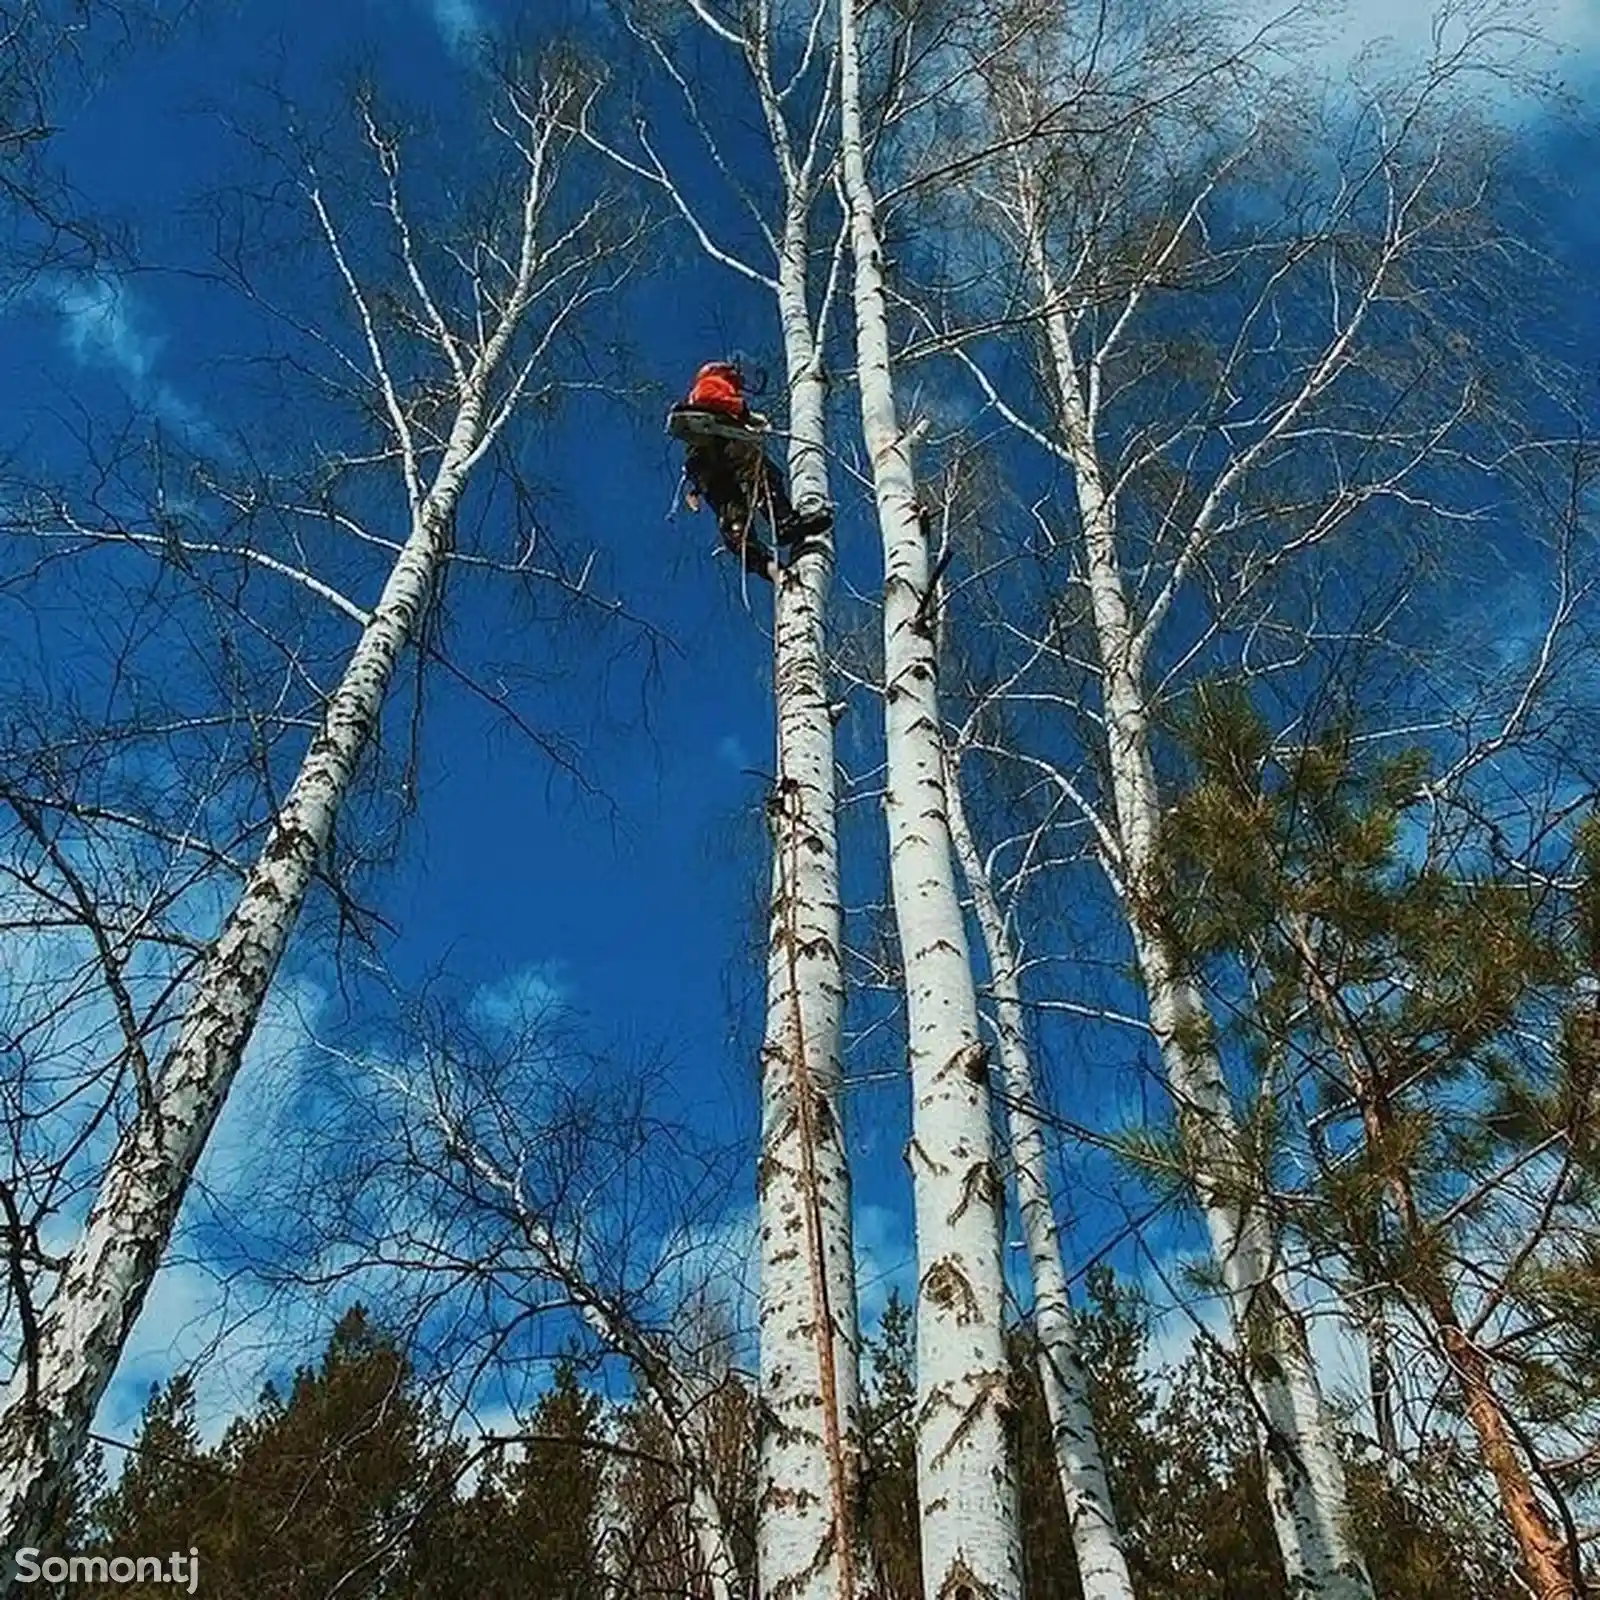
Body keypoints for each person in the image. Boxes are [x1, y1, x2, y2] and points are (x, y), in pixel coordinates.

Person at [670, 360, 833, 579]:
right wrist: (744, 412)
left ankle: (760, 560)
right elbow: (709, 397)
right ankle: (784, 522)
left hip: (705, 464)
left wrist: (696, 489)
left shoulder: (698, 420)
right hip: (723, 441)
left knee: (730, 509)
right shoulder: (713, 383)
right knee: (761, 474)